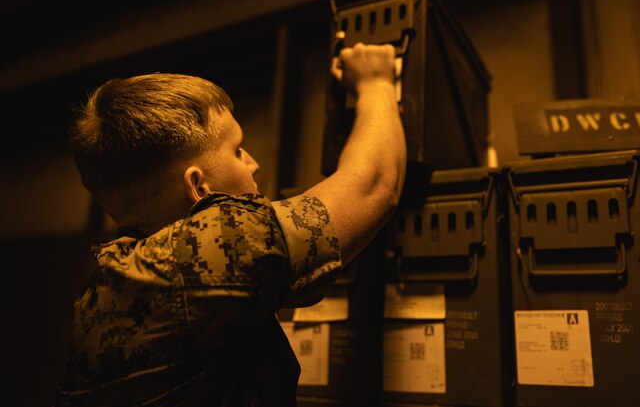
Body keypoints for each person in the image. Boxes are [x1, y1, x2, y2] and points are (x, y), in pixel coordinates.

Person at [55, 43, 406, 406]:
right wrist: (377, 83)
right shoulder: (195, 258)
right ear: (198, 186)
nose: (252, 163)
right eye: (237, 150)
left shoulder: (105, 287)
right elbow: (375, 185)